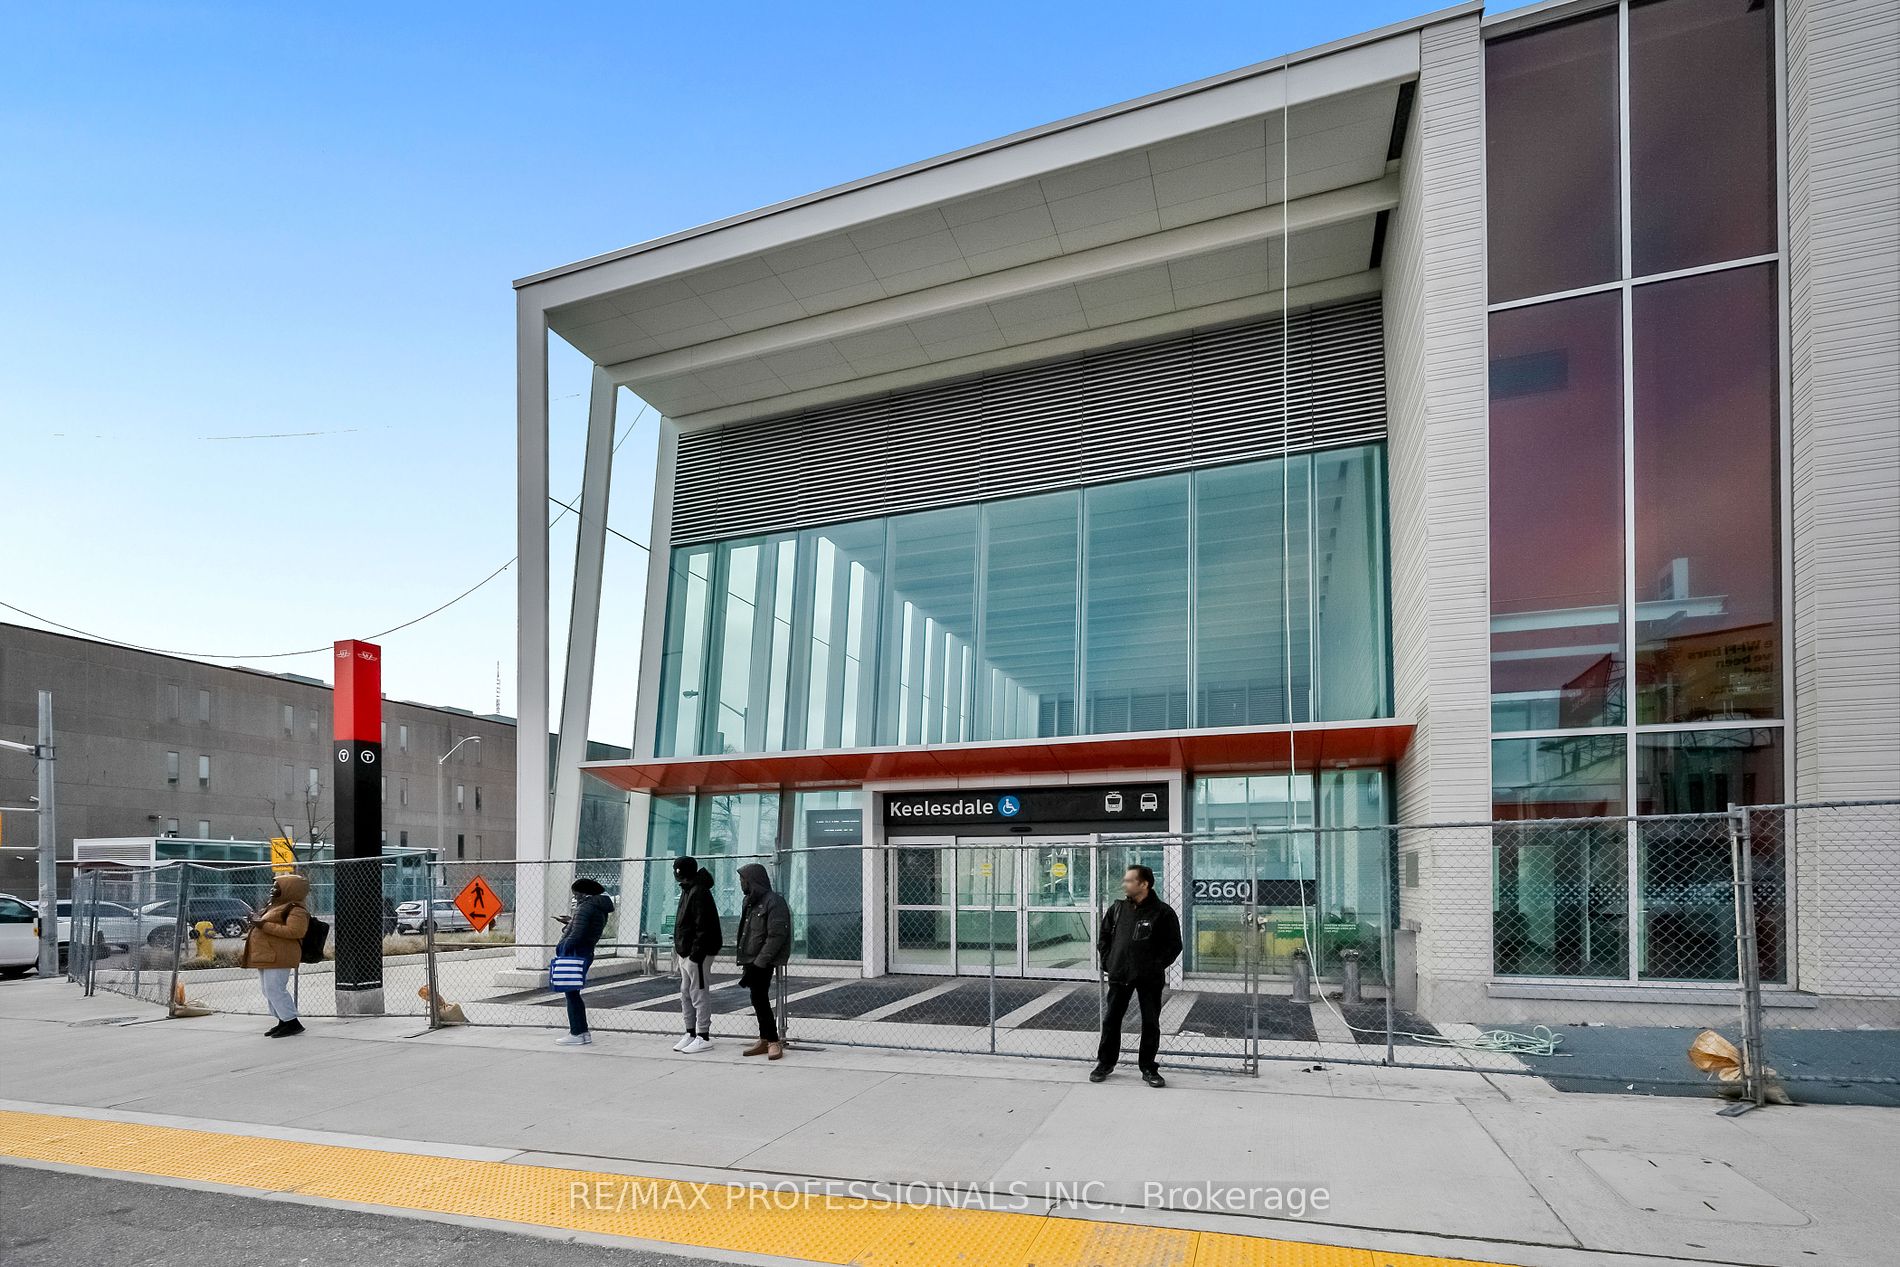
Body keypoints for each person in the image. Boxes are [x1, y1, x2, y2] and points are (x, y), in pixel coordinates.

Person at [1091, 864, 1182, 1087]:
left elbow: (1174, 945)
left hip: (1149, 977)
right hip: (1120, 973)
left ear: (1144, 884)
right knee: (1112, 1019)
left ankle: (1148, 1067)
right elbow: (1104, 938)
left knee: (1150, 1022)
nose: (1124, 884)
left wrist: (1155, 965)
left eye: (1129, 880)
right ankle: (1105, 1063)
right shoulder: (1117, 909)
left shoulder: (1163, 912)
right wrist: (1109, 962)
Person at [239, 873, 311, 1038]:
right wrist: (256, 922)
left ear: (290, 889)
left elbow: (296, 931)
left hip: (280, 955)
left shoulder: (296, 910)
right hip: (267, 955)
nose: (272, 890)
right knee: (268, 990)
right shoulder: (275, 906)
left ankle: (292, 1023)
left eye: (277, 887)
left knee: (275, 989)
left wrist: (263, 925)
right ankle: (283, 1021)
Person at [735, 863, 791, 1059]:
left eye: (743, 879)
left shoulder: (774, 901)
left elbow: (776, 935)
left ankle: (773, 1040)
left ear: (753, 881)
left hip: (763, 960)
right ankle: (764, 1038)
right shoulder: (749, 901)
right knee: (756, 998)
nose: (741, 883)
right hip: (750, 958)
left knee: (760, 997)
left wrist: (761, 961)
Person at [553, 877, 614, 1047]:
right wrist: (571, 921)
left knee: (571, 993)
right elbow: (584, 928)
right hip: (586, 951)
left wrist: (562, 948)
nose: (575, 897)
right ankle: (582, 1032)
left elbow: (577, 934)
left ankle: (577, 1033)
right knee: (573, 992)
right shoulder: (598, 907)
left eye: (576, 894)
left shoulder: (585, 907)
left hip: (574, 952)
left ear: (584, 893)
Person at [671, 856, 722, 1053]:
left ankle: (703, 1035)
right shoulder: (688, 890)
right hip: (687, 952)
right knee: (686, 992)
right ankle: (691, 1032)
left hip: (697, 954)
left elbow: (704, 927)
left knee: (698, 993)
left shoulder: (699, 892)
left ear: (681, 872)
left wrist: (695, 955)